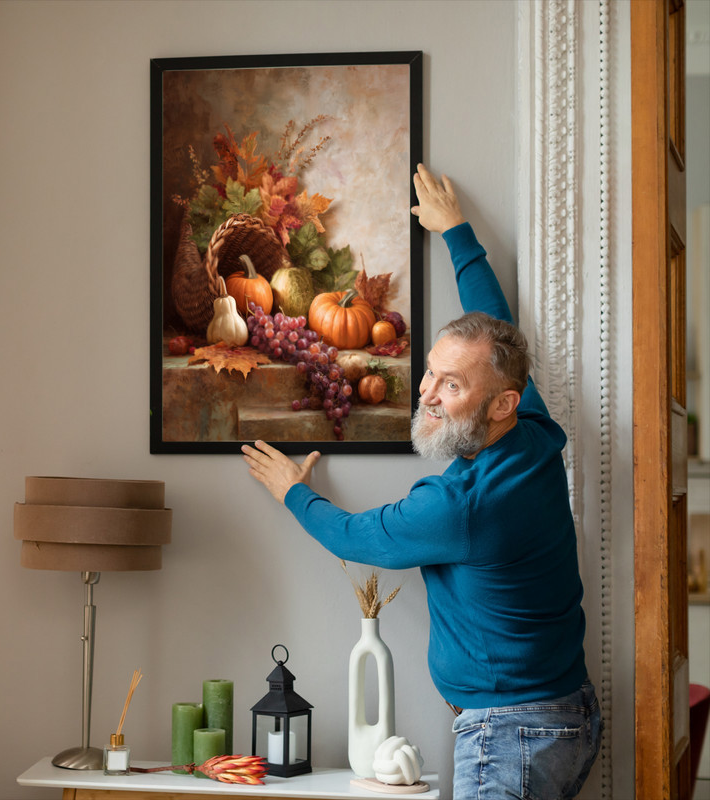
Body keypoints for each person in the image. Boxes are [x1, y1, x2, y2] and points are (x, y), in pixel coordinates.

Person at [241, 164, 602, 799]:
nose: (427, 395)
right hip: (564, 717)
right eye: (431, 372)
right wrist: (457, 232)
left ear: (501, 404)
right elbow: (494, 329)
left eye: (450, 385)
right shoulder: (535, 435)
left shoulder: (460, 505)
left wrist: (293, 491)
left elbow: (357, 536)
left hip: (511, 739)